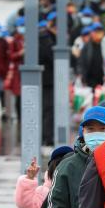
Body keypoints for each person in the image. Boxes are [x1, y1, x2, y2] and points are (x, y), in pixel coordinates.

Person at [39, 13, 58, 145]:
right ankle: (47, 137)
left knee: (46, 108)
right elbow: (51, 57)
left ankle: (45, 136)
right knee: (48, 108)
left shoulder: (46, 37)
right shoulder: (46, 38)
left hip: (46, 79)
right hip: (47, 80)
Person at [5, 17, 25, 120]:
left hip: (28, 72)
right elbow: (11, 56)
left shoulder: (31, 39)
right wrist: (20, 53)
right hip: (18, 72)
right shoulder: (14, 41)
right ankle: (20, 117)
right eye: (21, 26)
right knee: (19, 95)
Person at [78, 23, 105, 89]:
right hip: (90, 80)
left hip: (103, 79)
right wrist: (82, 76)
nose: (98, 33)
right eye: (96, 31)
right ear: (91, 33)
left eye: (100, 31)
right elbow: (81, 62)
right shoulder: (87, 46)